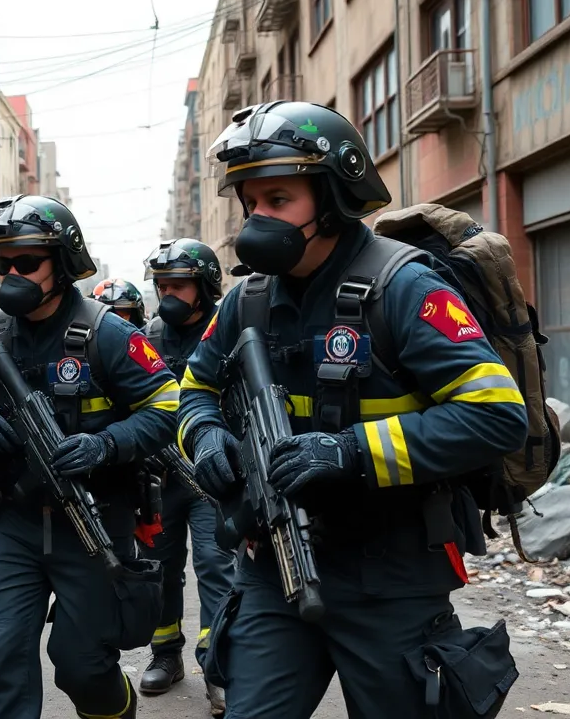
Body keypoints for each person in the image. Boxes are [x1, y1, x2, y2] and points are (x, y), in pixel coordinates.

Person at [178, 101, 528, 717]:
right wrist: (205, 438)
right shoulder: (247, 300)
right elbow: (195, 389)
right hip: (274, 567)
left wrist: (350, 451)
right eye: (250, 202)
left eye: (278, 199)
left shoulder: (405, 286)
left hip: (389, 574)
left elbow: (496, 413)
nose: (257, 219)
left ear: (334, 194)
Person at [0, 194, 178, 719]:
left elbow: (167, 407)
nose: (11, 273)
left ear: (62, 262)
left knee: (82, 666)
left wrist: (104, 445)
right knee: (3, 664)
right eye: (2, 263)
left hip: (91, 524)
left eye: (26, 261)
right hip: (11, 523)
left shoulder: (108, 332)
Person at [137, 238, 233, 716]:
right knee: (159, 569)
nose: (168, 293)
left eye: (179, 285)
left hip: (211, 476)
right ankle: (165, 653)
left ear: (206, 286)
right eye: (163, 285)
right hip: (159, 479)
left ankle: (217, 668)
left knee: (216, 567)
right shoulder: (148, 336)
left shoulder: (226, 330)